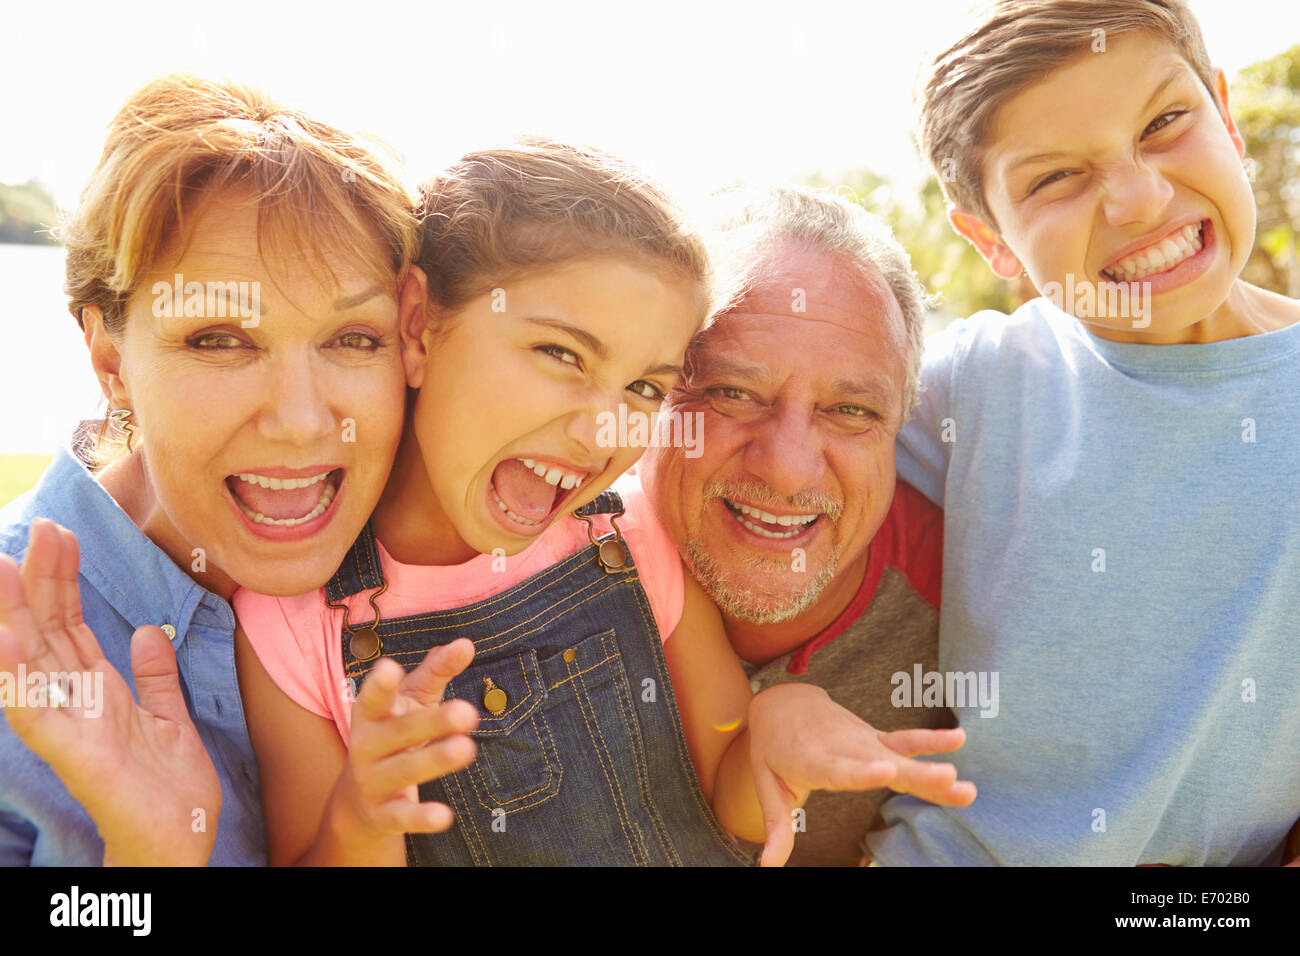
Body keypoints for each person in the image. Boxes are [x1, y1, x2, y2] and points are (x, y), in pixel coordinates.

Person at [233, 142, 976, 866]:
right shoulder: (292, 625)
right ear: (419, 325)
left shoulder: (636, 539)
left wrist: (777, 731)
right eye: (561, 355)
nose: (603, 429)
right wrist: (363, 819)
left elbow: (728, 786)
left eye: (645, 387)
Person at [864, 0, 1300, 866]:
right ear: (990, 239)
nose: (1140, 199)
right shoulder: (967, 386)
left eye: (1167, 122)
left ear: (1223, 108)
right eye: (1055, 178)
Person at [0, 73, 428, 865]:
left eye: (354, 339)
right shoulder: (13, 654)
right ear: (110, 361)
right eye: (220, 340)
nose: (303, 420)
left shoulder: (449, 564)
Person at [637, 185, 965, 866]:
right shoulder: (541, 562)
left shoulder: (973, 613)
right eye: (732, 393)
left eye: (850, 411)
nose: (786, 470)